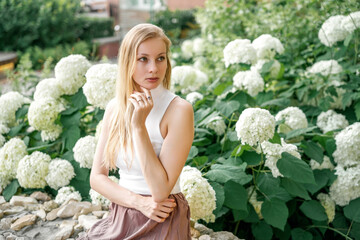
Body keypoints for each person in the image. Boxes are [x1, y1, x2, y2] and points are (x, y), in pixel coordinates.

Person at [77, 23, 194, 239]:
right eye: (143, 59)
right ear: (128, 62)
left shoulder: (179, 110)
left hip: (162, 216)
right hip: (124, 212)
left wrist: (138, 127)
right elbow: (97, 177)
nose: (154, 68)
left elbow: (160, 191)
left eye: (160, 58)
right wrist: (138, 203)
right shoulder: (115, 108)